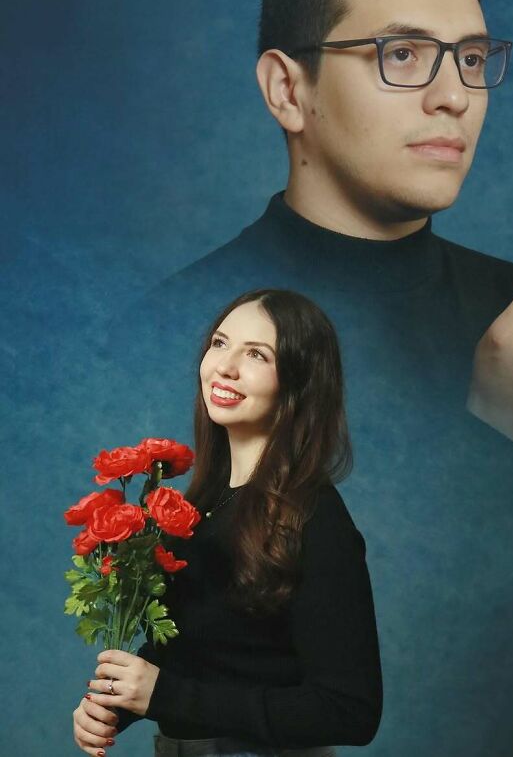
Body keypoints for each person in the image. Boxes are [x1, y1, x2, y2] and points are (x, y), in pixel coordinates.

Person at [96, 0, 513, 755]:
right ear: (286, 89)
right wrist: (500, 427)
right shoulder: (161, 321)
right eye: (404, 54)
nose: (456, 96)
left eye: (474, 58)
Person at [74, 290, 383, 757]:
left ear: (299, 383)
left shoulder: (315, 516)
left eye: (257, 354)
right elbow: (214, 655)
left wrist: (164, 693)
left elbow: (349, 711)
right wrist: (118, 702)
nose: (225, 366)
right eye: (219, 343)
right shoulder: (206, 507)